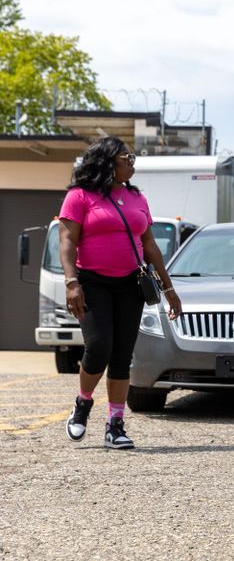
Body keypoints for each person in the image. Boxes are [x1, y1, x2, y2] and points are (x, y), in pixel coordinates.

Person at [60, 137, 182, 449]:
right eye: (127, 157)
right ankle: (83, 403)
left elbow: (150, 245)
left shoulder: (137, 197)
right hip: (92, 283)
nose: (132, 162)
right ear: (108, 161)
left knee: (122, 354)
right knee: (99, 345)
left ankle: (115, 424)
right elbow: (68, 242)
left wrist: (169, 289)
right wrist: (72, 283)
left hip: (131, 284)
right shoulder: (79, 196)